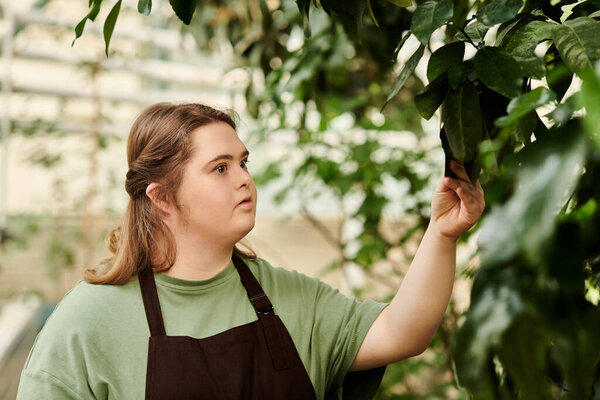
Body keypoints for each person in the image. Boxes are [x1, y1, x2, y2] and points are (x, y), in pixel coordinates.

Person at [16, 103, 485, 400]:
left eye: (242, 162)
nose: (243, 178)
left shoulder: (284, 296)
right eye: (219, 168)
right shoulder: (88, 323)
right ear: (161, 197)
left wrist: (442, 234)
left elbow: (402, 333)